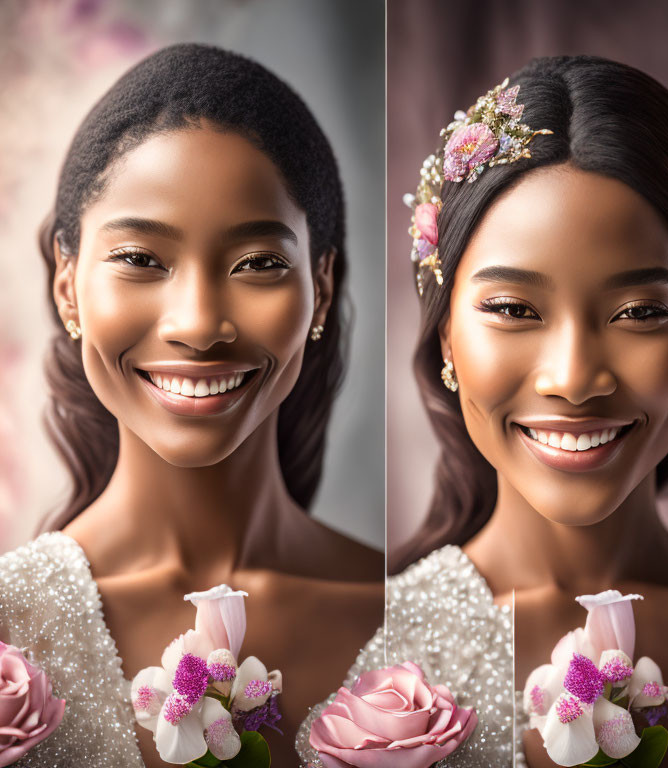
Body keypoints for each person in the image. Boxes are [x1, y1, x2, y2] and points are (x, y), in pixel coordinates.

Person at [298, 55, 668, 767]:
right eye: (514, 309)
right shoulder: (337, 652)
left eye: (639, 311)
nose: (575, 379)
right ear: (448, 336)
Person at [0, 42, 383, 768]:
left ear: (322, 289)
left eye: (258, 265)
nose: (200, 323)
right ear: (67, 283)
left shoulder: (428, 625)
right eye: (141, 260)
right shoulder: (6, 626)